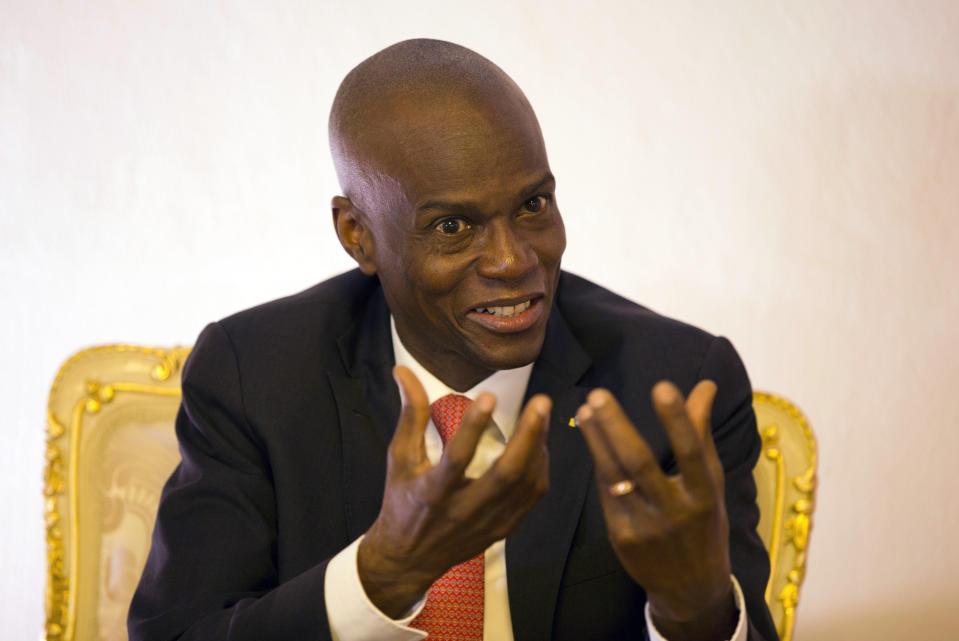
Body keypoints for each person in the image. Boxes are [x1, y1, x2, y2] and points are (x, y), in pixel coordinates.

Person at [129, 39, 777, 641]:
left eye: (532, 205)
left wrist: (694, 609)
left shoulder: (675, 382)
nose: (512, 259)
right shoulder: (256, 377)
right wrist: (380, 574)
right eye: (452, 226)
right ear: (357, 234)